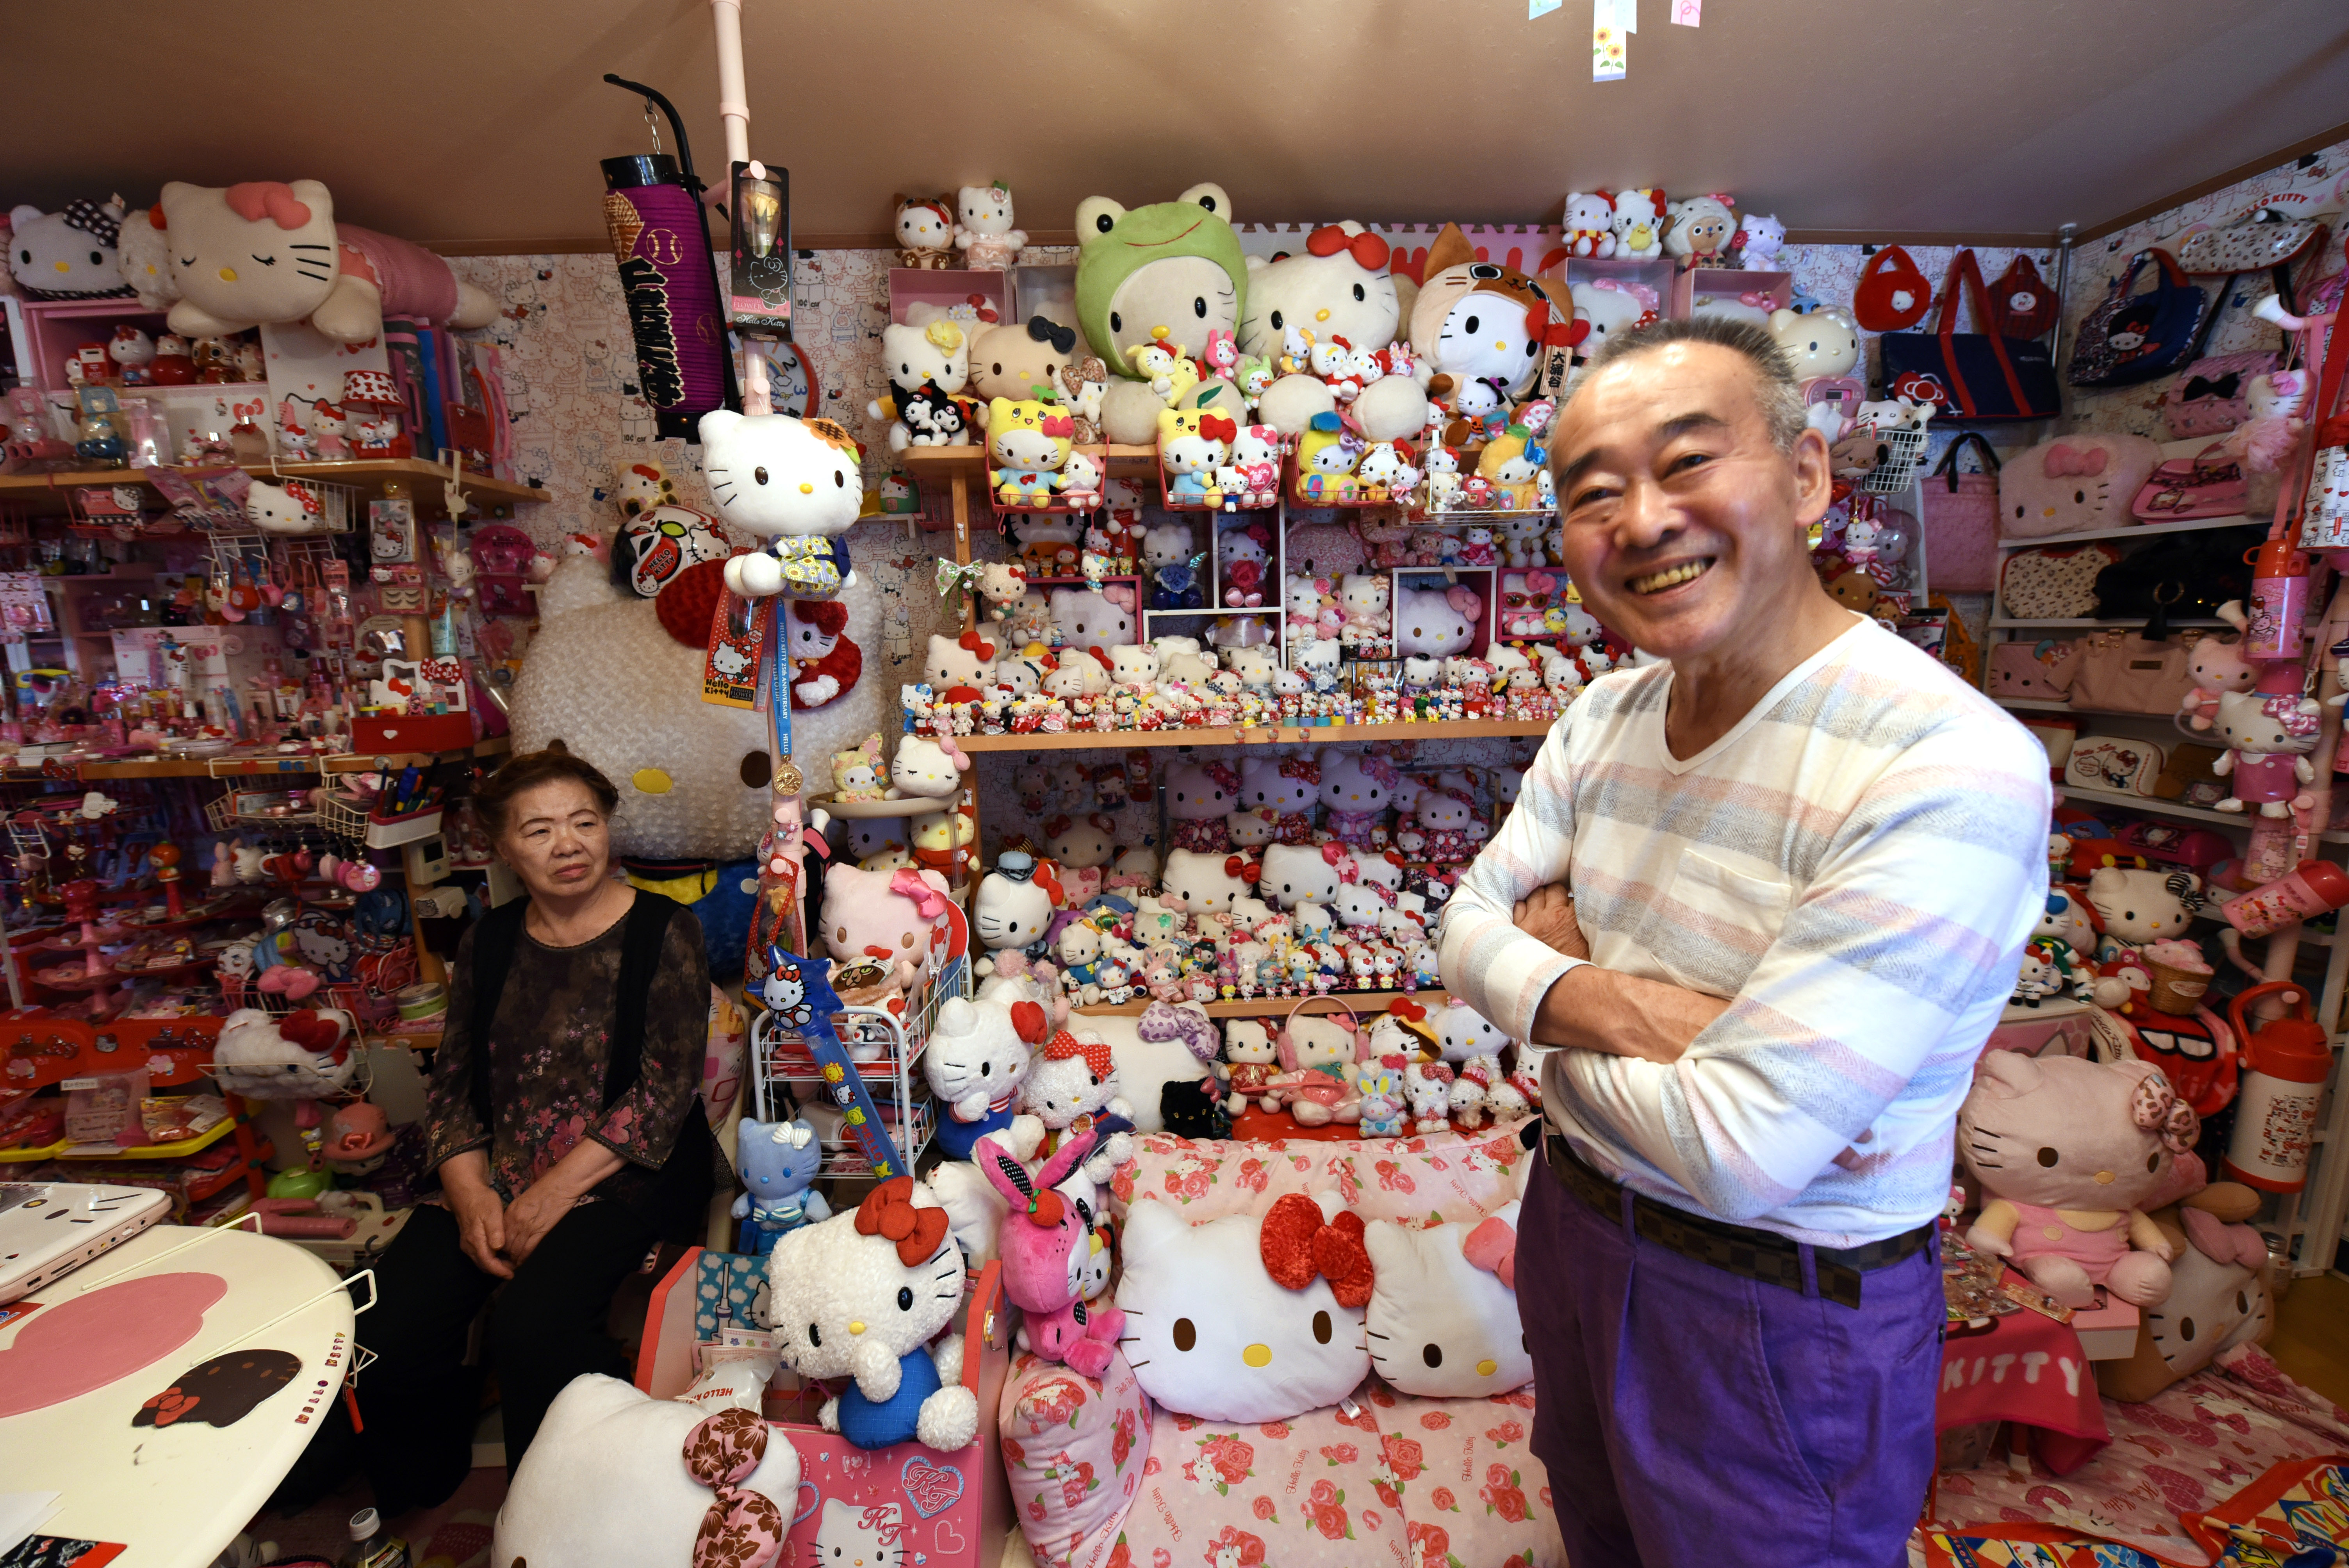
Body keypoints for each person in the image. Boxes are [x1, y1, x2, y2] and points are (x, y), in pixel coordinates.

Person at [1439, 315, 2048, 1568]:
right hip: (1575, 1226)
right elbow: (1463, 935)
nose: (1642, 521)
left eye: (1687, 463)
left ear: (1809, 476)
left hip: (1777, 1308)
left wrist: (1543, 1003)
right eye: (1593, 493)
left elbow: (1736, 1151)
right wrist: (1654, 1016)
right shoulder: (1603, 716)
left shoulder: (1945, 762)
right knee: (1597, 1530)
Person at [276, 748, 715, 1518]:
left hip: (622, 1174)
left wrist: (548, 1197)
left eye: (584, 823)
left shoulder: (664, 930)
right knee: (386, 1326)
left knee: (534, 1329)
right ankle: (420, 1491)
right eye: (539, 830)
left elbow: (661, 1093)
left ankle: (556, 1515)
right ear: (505, 848)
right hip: (495, 1167)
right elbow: (451, 1081)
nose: (567, 844)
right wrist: (469, 1190)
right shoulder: (491, 939)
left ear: (607, 829)